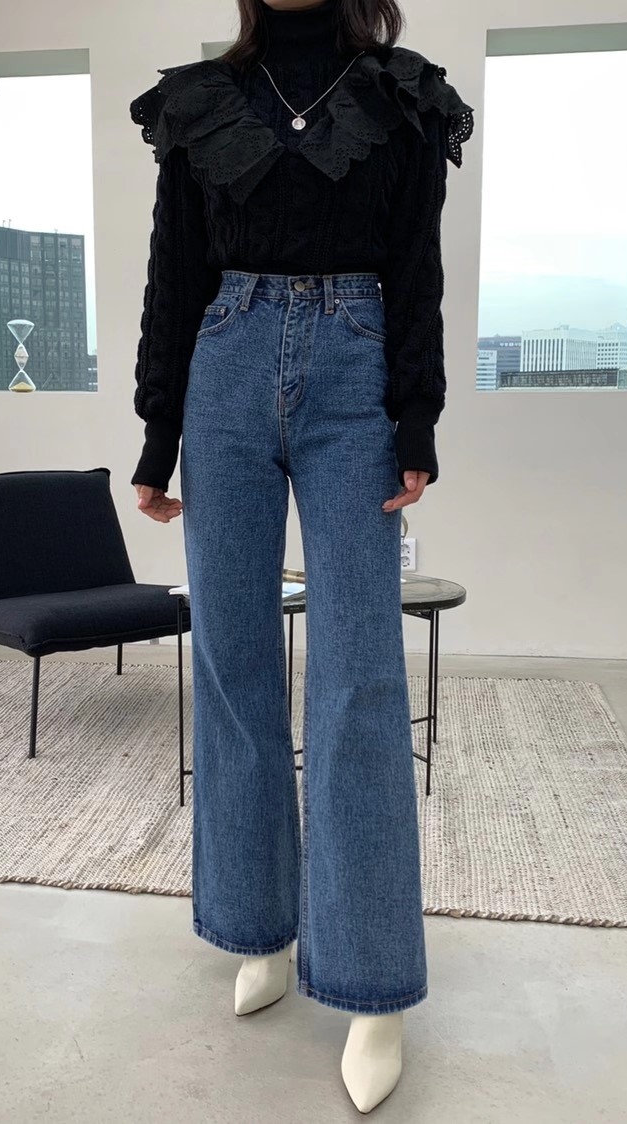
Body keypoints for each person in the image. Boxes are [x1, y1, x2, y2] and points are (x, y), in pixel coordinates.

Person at [127, 0, 473, 1112]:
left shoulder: (401, 97)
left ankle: (372, 984)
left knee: (360, 675)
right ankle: (258, 926)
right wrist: (158, 434)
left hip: (355, 373)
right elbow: (175, 271)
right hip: (223, 370)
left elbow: (414, 264)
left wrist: (416, 418)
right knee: (231, 662)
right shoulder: (201, 104)